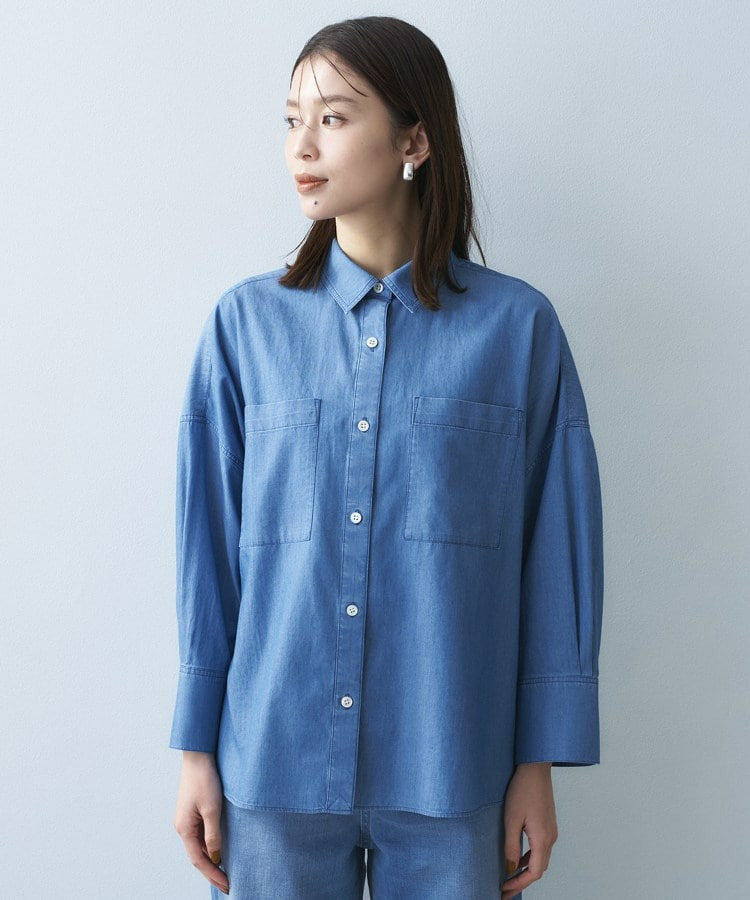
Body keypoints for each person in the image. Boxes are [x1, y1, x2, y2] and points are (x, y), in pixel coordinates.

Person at [170, 15, 604, 900]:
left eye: (333, 117)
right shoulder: (245, 328)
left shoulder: (517, 330)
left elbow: (555, 554)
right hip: (273, 764)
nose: (303, 145)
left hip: (454, 763)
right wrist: (195, 751)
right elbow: (207, 551)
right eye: (292, 119)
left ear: (415, 140)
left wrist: (538, 763)